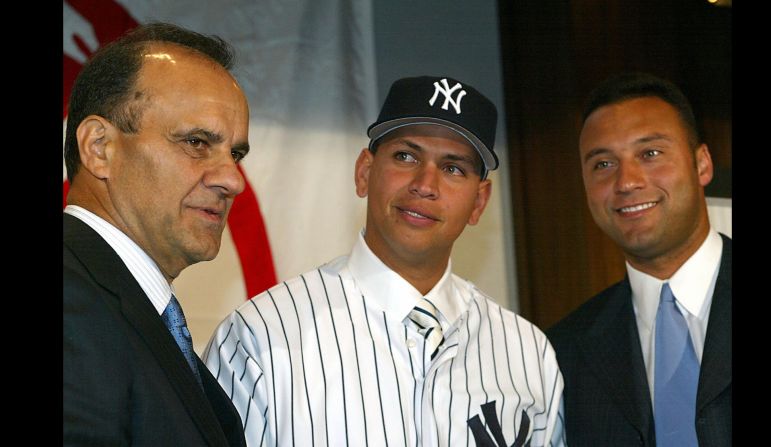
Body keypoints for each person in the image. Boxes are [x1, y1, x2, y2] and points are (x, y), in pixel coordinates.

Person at [203, 75, 565, 446]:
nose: (425, 184)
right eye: (406, 156)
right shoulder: (260, 334)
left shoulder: (527, 352)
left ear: (479, 202)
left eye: (453, 168)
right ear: (364, 172)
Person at [63, 22, 251, 446]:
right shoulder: (72, 300)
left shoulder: (128, 310)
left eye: (235, 153)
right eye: (198, 142)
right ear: (99, 148)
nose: (233, 179)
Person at [547, 72, 731, 446]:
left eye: (650, 154)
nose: (627, 181)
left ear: (702, 164)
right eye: (603, 164)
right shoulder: (563, 353)